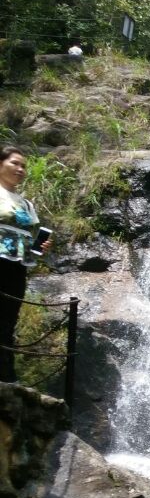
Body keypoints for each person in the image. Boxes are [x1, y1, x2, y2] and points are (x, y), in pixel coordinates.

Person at [0, 147, 48, 382]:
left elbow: (33, 236)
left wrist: (40, 247)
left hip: (18, 265)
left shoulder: (26, 204)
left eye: (23, 166)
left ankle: (6, 374)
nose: (20, 169)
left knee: (8, 319)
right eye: (15, 163)